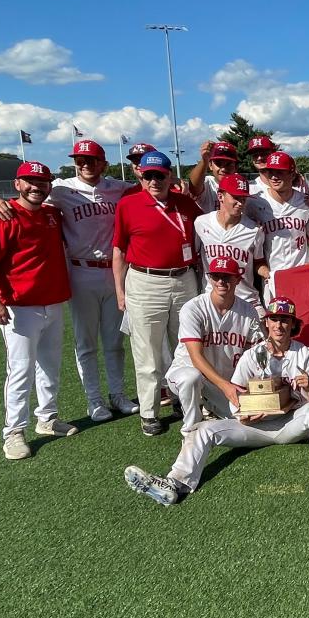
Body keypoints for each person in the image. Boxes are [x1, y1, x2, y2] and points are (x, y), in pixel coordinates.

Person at [124, 296, 309, 503]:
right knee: (202, 430)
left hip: (291, 423)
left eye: (285, 320)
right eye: (274, 319)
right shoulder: (252, 356)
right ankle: (175, 483)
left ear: (293, 324)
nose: (279, 325)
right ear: (266, 323)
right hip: (253, 427)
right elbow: (235, 396)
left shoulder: (304, 353)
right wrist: (244, 417)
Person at [0, 139, 140, 421]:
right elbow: (24, 200)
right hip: (81, 271)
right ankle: (94, 401)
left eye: (91, 160)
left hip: (116, 272)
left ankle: (117, 394)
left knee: (115, 340)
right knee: (86, 342)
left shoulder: (118, 188)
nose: (85, 164)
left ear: (103, 163)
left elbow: (151, 184)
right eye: (80, 159)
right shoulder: (60, 189)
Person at [0, 161, 75, 459]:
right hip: (18, 307)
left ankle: (47, 417)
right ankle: (14, 431)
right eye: (29, 181)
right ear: (17, 183)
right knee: (20, 369)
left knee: (50, 365)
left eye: (42, 182)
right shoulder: (1, 217)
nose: (36, 187)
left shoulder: (52, 214)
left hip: (53, 301)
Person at [112, 150, 202, 436]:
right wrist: (119, 291)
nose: (154, 181)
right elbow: (119, 251)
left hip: (184, 278)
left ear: (169, 176)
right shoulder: (128, 205)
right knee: (148, 352)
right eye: (148, 175)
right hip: (145, 281)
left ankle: (181, 399)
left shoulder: (185, 204)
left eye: (159, 175)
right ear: (140, 175)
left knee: (185, 347)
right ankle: (150, 412)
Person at [164, 256, 261, 436]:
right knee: (191, 377)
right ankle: (190, 430)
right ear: (209, 278)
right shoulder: (193, 308)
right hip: (186, 371)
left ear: (238, 279)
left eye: (226, 276)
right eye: (216, 276)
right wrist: (225, 386)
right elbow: (196, 357)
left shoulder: (248, 311)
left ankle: (212, 409)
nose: (221, 281)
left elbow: (253, 355)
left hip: (223, 381)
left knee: (244, 420)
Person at [246, 151, 309, 302]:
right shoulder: (255, 202)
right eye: (270, 172)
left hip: (302, 274)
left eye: (280, 172)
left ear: (292, 174)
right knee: (276, 324)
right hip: (272, 278)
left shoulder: (306, 202)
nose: (274, 177)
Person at [194, 173, 265, 310]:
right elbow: (195, 258)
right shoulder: (201, 223)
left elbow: (259, 262)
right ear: (220, 196)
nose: (240, 203)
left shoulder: (255, 229)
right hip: (212, 298)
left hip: (246, 299)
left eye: (243, 199)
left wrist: (271, 275)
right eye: (236, 198)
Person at [188, 140, 240, 213]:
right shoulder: (207, 182)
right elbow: (193, 187)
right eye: (218, 164)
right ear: (210, 165)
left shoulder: (240, 185)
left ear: (236, 167)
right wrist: (204, 160)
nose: (223, 169)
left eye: (228, 164)